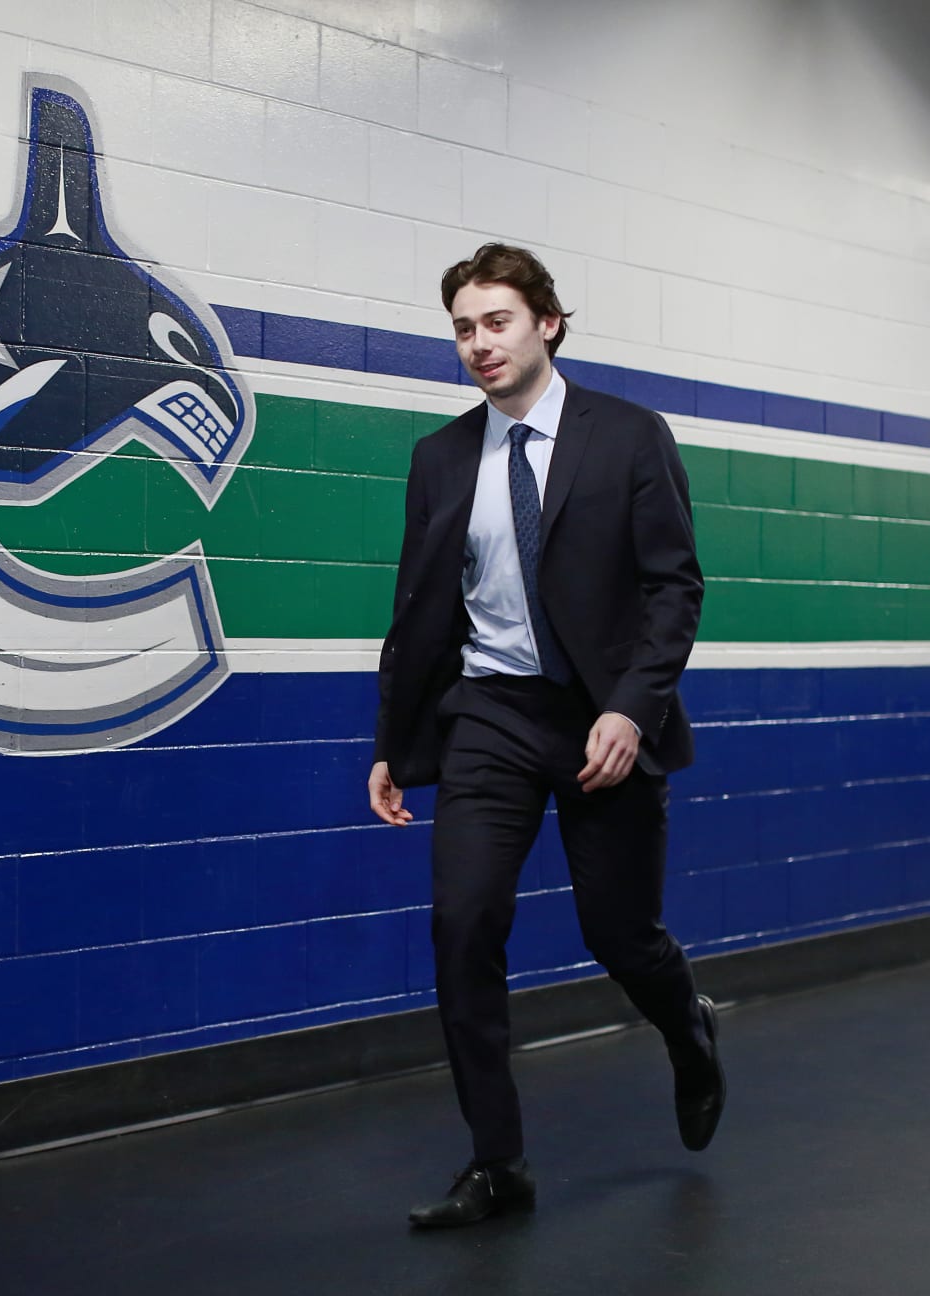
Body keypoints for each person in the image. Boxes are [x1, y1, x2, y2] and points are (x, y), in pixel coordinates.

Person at [368, 243, 724, 1229]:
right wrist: (391, 744)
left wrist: (631, 706)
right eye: (464, 328)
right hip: (490, 715)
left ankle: (687, 1029)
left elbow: (674, 590)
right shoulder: (441, 460)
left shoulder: (627, 437)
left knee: (621, 934)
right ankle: (498, 1163)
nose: (478, 344)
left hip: (602, 720)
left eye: (497, 322)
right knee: (463, 922)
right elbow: (420, 613)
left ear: (548, 324)